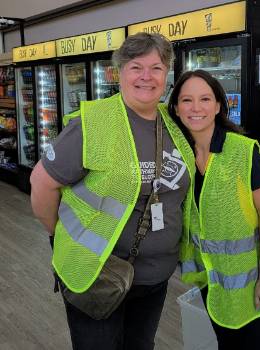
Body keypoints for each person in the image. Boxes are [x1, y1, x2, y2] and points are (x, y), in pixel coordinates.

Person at [30, 32, 195, 350]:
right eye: (136, 67)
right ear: (119, 72)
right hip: (98, 274)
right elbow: (41, 183)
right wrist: (59, 233)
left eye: (157, 68)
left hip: (155, 279)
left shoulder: (173, 123)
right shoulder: (94, 123)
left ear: (167, 74)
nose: (147, 76)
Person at [168, 69, 260, 349]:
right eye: (186, 100)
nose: (196, 108)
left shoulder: (244, 152)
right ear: (176, 108)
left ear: (219, 105)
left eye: (205, 99)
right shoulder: (179, 155)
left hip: (253, 279)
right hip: (212, 279)